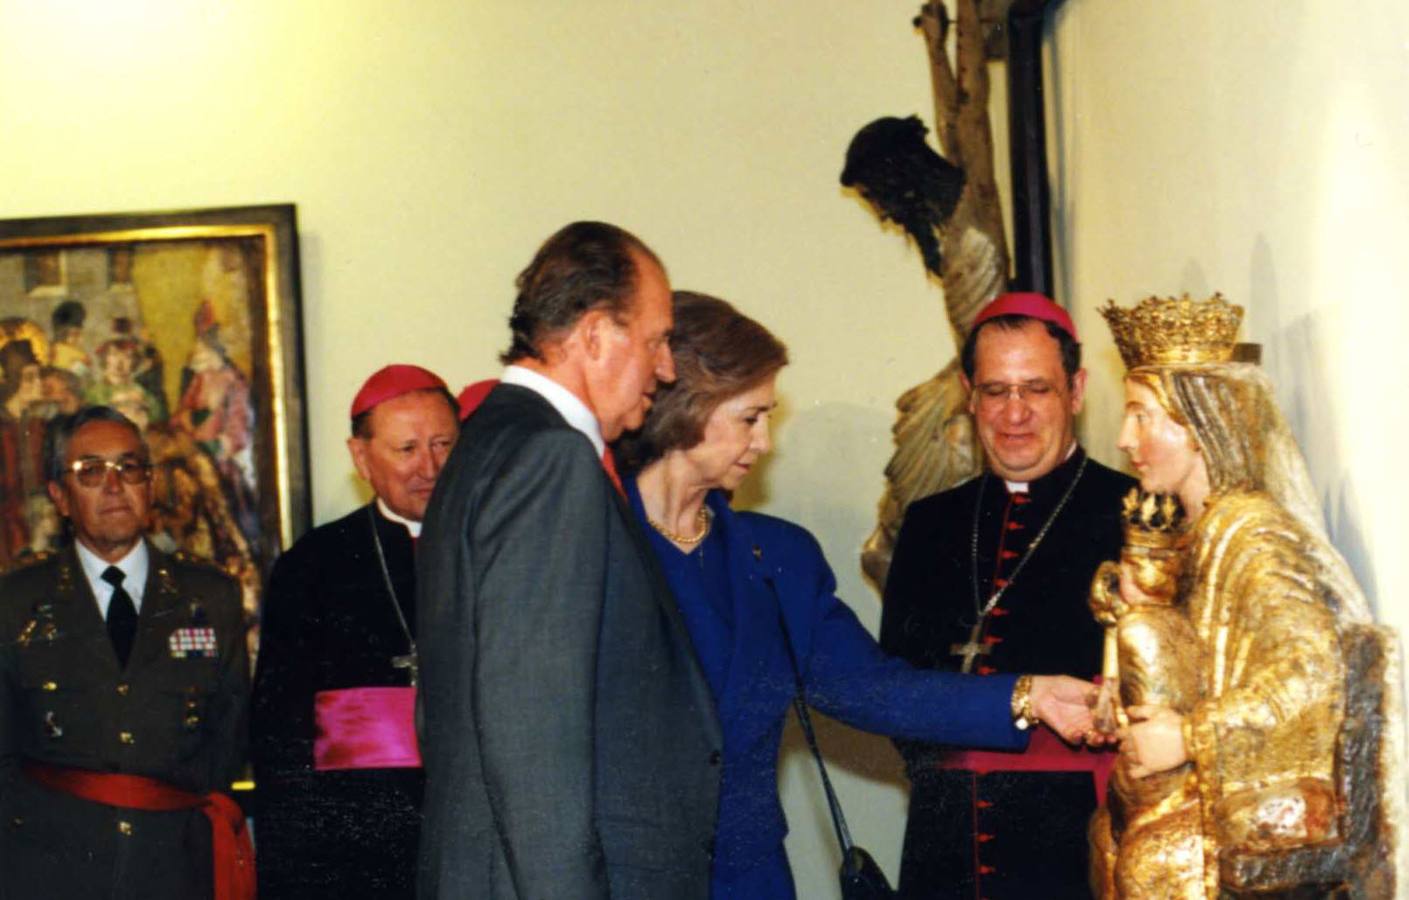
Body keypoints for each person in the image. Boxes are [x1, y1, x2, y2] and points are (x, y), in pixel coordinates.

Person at [615, 290, 1101, 899]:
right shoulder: (594, 547)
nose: (765, 443)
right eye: (750, 418)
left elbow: (871, 688)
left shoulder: (778, 558)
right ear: (687, 407)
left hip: (750, 883)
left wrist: (1027, 695)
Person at [416, 221, 722, 899]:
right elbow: (531, 736)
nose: (666, 368)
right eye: (654, 340)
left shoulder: (493, 441)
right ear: (593, 335)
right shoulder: (550, 460)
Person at [1091, 294, 1375, 897]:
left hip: (1259, 787)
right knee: (1104, 838)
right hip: (1208, 777)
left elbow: (1311, 674)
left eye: (1142, 415)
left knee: (1150, 866)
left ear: (1199, 425)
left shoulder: (1254, 536)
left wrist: (1189, 737)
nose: (1122, 438)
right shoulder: (1200, 529)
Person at [878, 292, 1135, 899]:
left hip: (1074, 843)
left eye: (1036, 389)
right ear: (970, 395)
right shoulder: (931, 522)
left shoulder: (1134, 514)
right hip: (944, 845)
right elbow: (892, 690)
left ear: (1075, 390)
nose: (1014, 413)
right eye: (996, 390)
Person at [0, 406, 251, 899]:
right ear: (60, 497)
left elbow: (229, 736)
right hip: (51, 868)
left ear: (150, 485)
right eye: (90, 472)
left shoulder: (210, 596)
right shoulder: (15, 602)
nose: (113, 486)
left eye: (129, 468)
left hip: (176, 865)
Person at [251, 364, 458, 898]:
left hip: (468, 833)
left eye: (442, 444)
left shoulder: (497, 548)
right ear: (361, 457)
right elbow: (281, 739)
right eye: (406, 449)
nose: (429, 467)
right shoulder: (311, 566)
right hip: (351, 846)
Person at [0, 339, 49, 570]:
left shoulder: (39, 425)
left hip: (40, 521)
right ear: (14, 381)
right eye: (31, 377)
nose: (39, 383)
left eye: (39, 376)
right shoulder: (2, 427)